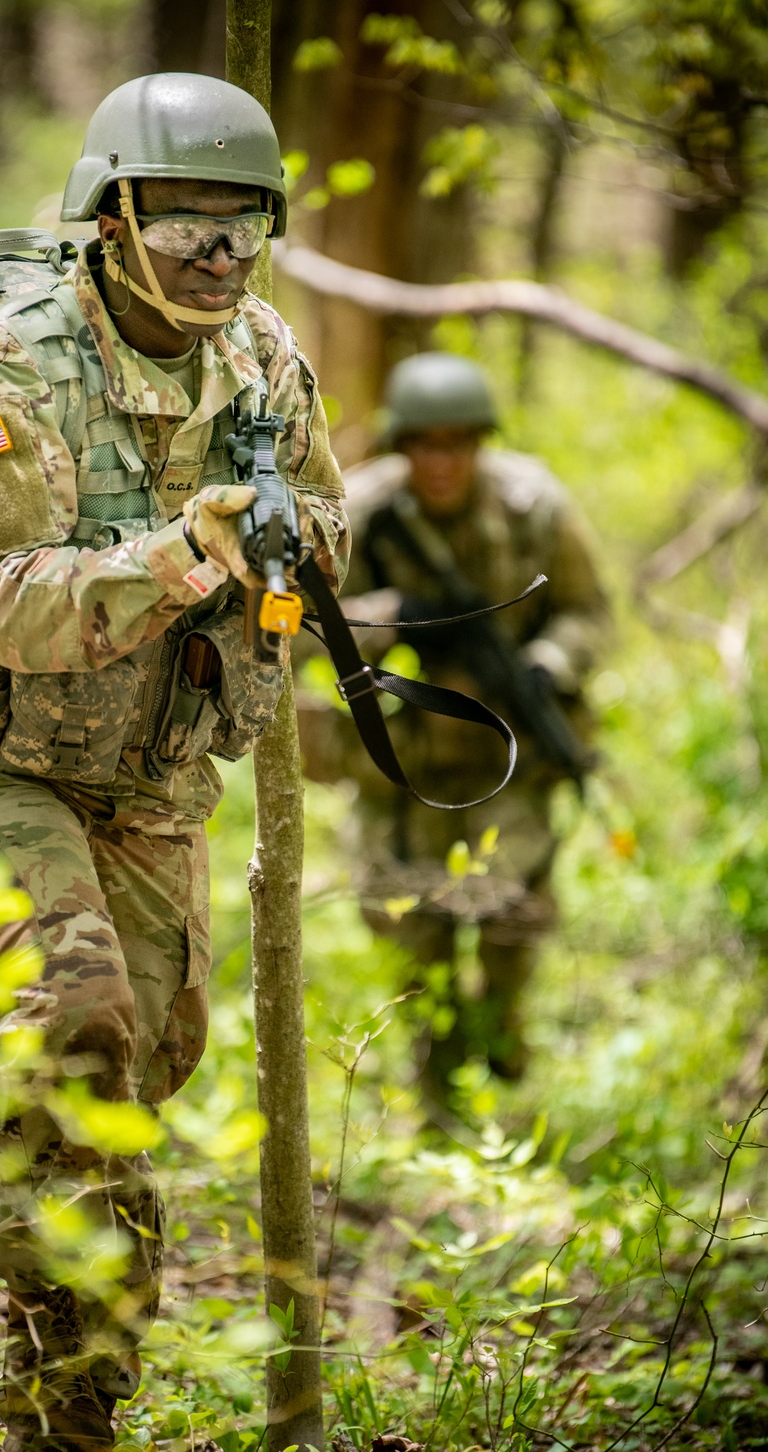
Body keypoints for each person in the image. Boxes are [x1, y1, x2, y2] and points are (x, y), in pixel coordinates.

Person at [0, 73, 347, 1452]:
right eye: (186, 223)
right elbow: (11, 611)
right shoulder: (3, 370)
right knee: (74, 1037)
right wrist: (186, 552)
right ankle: (58, 1450)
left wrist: (288, 541)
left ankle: (83, 1406)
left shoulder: (261, 354)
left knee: (134, 1090)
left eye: (243, 226)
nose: (218, 257)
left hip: (152, 779)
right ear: (111, 214)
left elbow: (329, 515)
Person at [298, 352, 607, 1117]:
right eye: (425, 445)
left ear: (480, 443)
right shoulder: (358, 516)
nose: (442, 462)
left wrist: (548, 661)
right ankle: (434, 1083)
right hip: (400, 763)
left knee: (511, 916)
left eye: (458, 444)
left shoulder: (534, 506)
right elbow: (298, 628)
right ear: (404, 446)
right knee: (412, 926)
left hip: (512, 754)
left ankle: (501, 1030)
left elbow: (590, 612)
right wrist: (389, 619)